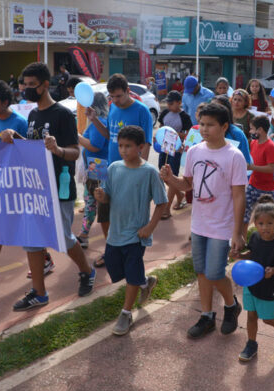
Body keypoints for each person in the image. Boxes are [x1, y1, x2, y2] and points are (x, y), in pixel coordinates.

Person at [0, 62, 96, 310]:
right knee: (32, 239)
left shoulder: (62, 115)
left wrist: (57, 149)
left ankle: (87, 271)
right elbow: (33, 148)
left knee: (62, 239)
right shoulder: (32, 116)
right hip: (35, 187)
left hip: (59, 187)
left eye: (32, 85)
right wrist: (16, 138)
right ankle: (39, 293)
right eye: (25, 85)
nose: (27, 89)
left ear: (45, 85)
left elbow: (75, 152)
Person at [160, 103, 246, 339]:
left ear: (224, 126)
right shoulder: (195, 151)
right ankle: (207, 316)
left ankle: (231, 305)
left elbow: (239, 196)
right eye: (202, 124)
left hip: (222, 226)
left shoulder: (234, 156)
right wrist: (170, 179)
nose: (204, 129)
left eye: (210, 125)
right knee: (201, 272)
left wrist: (237, 232)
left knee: (215, 272)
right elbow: (187, 185)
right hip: (199, 224)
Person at [0, 80, 55, 286]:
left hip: (20, 184)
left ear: (5, 102)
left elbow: (31, 152)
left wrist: (15, 140)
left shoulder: (21, 122)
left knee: (27, 225)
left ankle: (45, 258)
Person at [93, 125, 168, 335]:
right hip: (115, 234)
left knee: (132, 273)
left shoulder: (150, 172)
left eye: (128, 146)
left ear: (141, 147)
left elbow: (162, 202)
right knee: (117, 269)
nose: (124, 150)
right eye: (121, 146)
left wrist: (150, 227)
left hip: (136, 235)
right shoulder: (113, 168)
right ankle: (146, 283)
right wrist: (102, 197)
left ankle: (126, 313)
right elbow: (108, 196)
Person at [86, 73, 154, 268]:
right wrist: (94, 119)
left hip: (132, 172)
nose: (115, 100)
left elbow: (146, 142)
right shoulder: (113, 108)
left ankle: (130, 256)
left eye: (118, 96)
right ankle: (111, 251)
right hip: (110, 171)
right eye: (112, 97)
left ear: (127, 91)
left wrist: (142, 171)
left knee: (128, 217)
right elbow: (109, 135)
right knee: (105, 214)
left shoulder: (142, 111)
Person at [232, 196, 274, 361]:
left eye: (269, 223)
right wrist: (240, 256)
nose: (265, 227)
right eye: (260, 224)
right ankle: (251, 344)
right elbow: (251, 254)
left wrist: (272, 271)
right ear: (255, 224)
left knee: (268, 319)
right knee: (251, 316)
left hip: (267, 288)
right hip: (251, 286)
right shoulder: (254, 237)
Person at [76, 92, 110, 248]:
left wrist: (78, 137)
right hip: (96, 167)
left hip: (97, 168)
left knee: (91, 202)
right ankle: (84, 234)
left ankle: (85, 235)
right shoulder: (101, 122)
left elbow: (94, 146)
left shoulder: (99, 123)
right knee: (92, 202)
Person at [158, 90, 193, 219]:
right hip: (164, 148)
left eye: (171, 103)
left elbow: (190, 135)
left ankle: (167, 209)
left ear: (179, 103)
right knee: (163, 175)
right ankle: (179, 195)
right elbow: (161, 126)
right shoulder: (165, 113)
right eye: (167, 102)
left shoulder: (184, 116)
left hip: (176, 150)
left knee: (172, 175)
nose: (169, 105)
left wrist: (175, 135)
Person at [243, 115, 274, 236]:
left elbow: (271, 168)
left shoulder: (270, 147)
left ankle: (265, 240)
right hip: (253, 185)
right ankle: (242, 239)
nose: (250, 131)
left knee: (266, 217)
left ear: (260, 130)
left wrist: (252, 167)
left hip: (267, 189)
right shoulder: (253, 143)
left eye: (252, 129)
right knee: (244, 213)